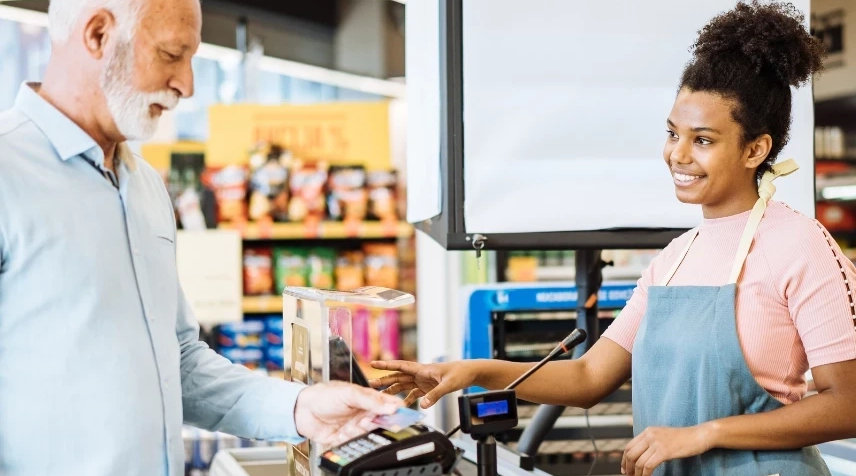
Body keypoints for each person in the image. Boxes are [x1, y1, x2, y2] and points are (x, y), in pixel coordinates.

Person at [371, 2, 856, 475]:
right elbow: (589, 376)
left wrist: (705, 432)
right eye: (673, 133)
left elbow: (847, 405)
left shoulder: (800, 245)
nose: (677, 154)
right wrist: (473, 371)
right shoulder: (675, 257)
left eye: (703, 140)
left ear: (756, 149)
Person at [0, 0, 402, 475]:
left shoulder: (146, 186)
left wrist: (299, 407)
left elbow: (181, 363)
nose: (186, 85)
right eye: (172, 55)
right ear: (97, 35)